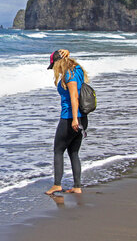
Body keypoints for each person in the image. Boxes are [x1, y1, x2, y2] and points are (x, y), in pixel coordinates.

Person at [45, 49, 89, 195]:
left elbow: (74, 96)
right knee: (74, 152)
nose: (54, 70)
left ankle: (57, 185)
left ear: (58, 63)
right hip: (83, 117)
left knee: (58, 150)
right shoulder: (77, 69)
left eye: (54, 66)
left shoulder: (68, 74)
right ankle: (77, 187)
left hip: (70, 118)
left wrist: (74, 119)